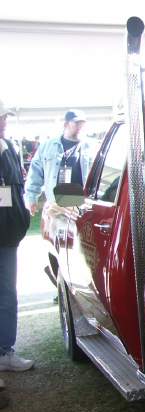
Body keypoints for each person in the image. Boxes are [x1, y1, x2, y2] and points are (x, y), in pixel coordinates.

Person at [0, 99, 33, 373]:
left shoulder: (7, 146)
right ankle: (4, 352)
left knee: (7, 293)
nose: (4, 122)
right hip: (4, 233)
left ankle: (4, 350)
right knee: (6, 295)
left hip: (8, 233)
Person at [24, 109, 92, 216]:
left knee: (79, 233)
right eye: (77, 123)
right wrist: (31, 197)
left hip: (79, 206)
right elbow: (35, 173)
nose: (80, 127)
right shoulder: (47, 146)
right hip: (54, 205)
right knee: (53, 232)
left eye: (83, 124)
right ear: (65, 124)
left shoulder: (91, 147)